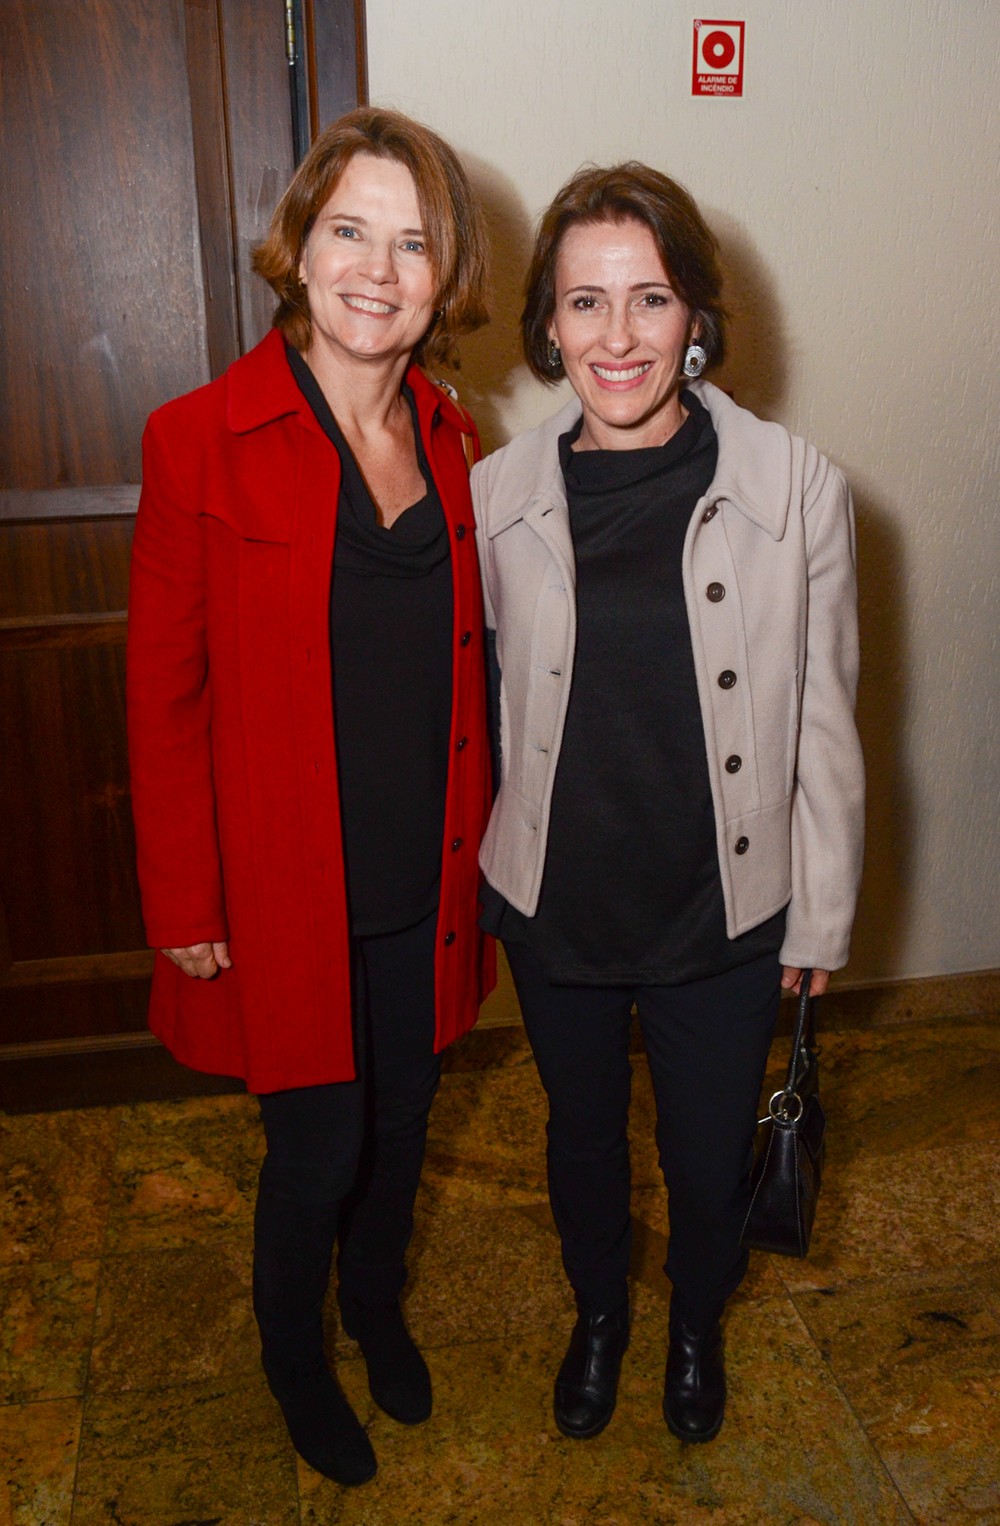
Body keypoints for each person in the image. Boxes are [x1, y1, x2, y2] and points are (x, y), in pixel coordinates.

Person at [127, 108, 494, 1487]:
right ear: (300, 244)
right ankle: (294, 1349)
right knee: (319, 1144)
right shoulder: (196, 440)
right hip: (285, 887)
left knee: (406, 1126)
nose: (377, 271)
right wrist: (186, 901)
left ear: (443, 274)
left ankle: (373, 1303)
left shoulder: (459, 438)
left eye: (413, 243)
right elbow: (162, 699)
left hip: (426, 875)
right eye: (351, 230)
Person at [472, 163, 864, 1447]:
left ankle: (696, 1316)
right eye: (585, 303)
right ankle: (600, 1312)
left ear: (697, 314)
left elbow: (823, 712)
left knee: (704, 1161)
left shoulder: (794, 483)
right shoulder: (494, 495)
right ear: (546, 326)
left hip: (724, 907)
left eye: (649, 299)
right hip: (559, 904)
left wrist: (821, 914)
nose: (618, 336)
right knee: (581, 1145)